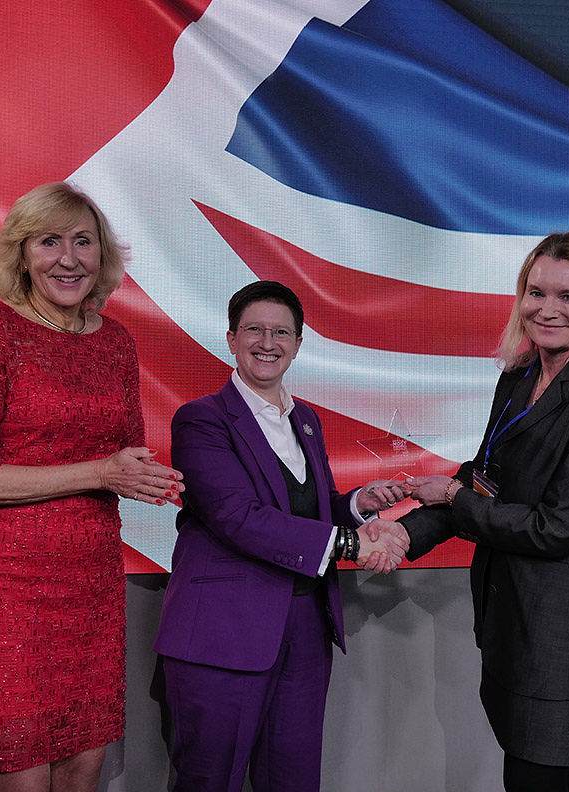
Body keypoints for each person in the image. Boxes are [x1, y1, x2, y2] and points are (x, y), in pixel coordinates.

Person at [0, 182, 184, 792]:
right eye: (50, 242)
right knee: (20, 775)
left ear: (103, 255)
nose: (69, 258)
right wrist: (100, 473)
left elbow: (124, 452)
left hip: (91, 585)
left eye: (84, 241)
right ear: (21, 254)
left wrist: (148, 477)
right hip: (5, 588)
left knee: (83, 770)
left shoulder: (116, 342)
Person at [402, 232, 569, 792]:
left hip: (559, 632)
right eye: (536, 292)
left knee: (540, 777)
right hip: (507, 617)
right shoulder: (517, 378)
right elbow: (484, 480)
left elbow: (556, 528)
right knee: (526, 776)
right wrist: (403, 535)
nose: (548, 309)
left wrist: (454, 500)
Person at [154, 280, 410, 792]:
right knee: (209, 781)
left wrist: (358, 507)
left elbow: (308, 514)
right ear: (230, 338)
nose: (267, 342)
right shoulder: (201, 420)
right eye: (254, 330)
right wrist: (351, 546)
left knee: (293, 782)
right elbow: (237, 516)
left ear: (297, 344)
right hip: (222, 637)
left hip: (304, 631)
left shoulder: (306, 421)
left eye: (281, 332)